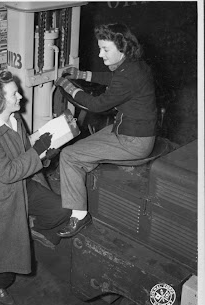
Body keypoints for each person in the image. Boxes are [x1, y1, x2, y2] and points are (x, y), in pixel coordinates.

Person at [0, 70, 71, 305]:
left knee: (62, 208)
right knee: (1, 251)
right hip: (0, 198)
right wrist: (37, 153)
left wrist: (46, 152)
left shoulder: (15, 120)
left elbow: (27, 153)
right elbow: (7, 173)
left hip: (23, 185)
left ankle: (32, 228)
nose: (20, 98)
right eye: (14, 94)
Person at [55, 23, 157, 238]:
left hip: (133, 141)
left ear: (123, 48)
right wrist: (82, 74)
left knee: (68, 154)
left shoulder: (129, 74)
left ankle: (80, 215)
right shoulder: (132, 65)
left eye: (105, 49)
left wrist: (69, 87)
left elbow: (97, 106)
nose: (100, 55)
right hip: (128, 130)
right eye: (100, 48)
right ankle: (82, 185)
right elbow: (112, 78)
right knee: (80, 151)